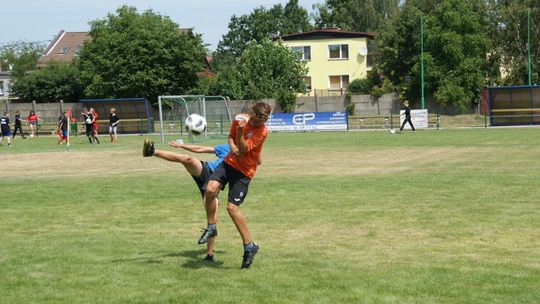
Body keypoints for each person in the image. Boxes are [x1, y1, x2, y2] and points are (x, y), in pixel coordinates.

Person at [201, 101, 271, 269]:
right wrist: (232, 146)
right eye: (256, 118)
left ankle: (249, 246)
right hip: (229, 163)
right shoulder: (239, 118)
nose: (257, 122)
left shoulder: (262, 131)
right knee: (210, 189)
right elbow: (231, 137)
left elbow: (245, 148)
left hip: (244, 171)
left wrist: (240, 132)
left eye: (262, 120)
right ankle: (211, 227)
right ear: (251, 113)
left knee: (232, 209)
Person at [142, 139, 231, 261]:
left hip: (214, 184)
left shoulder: (241, 157)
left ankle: (209, 254)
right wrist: (182, 145)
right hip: (205, 171)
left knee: (212, 219)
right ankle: (152, 151)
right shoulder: (226, 147)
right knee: (187, 159)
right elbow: (201, 149)